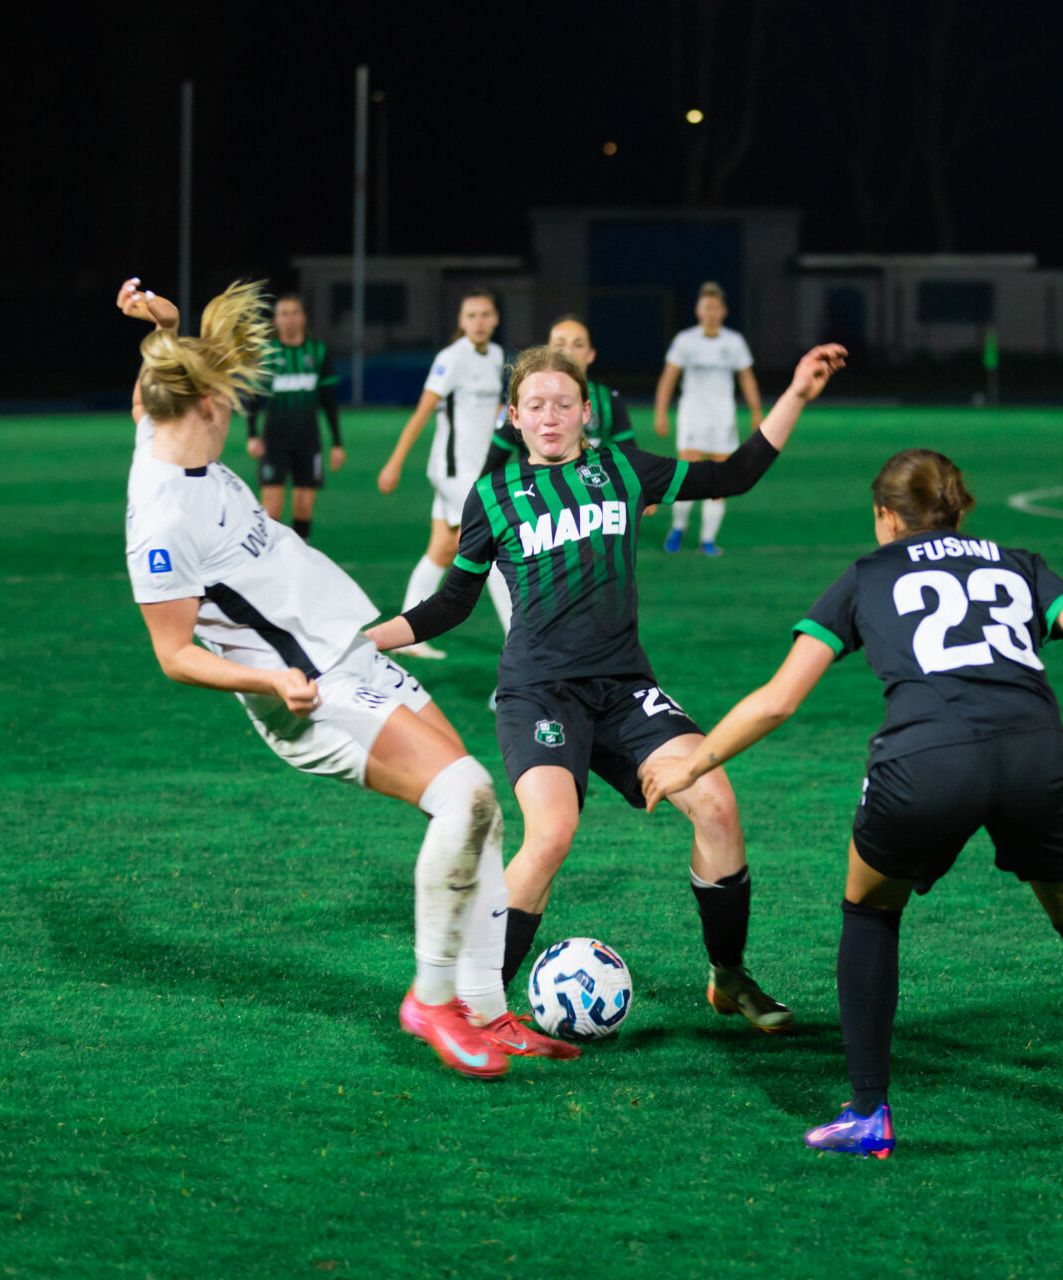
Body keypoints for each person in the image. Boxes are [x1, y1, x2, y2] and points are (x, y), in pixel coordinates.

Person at [642, 449, 1063, 1157]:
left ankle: (869, 1113)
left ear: (885, 516)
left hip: (928, 761)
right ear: (958, 509)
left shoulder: (868, 574)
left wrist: (697, 760)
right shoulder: (1017, 562)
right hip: (1033, 753)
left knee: (869, 908)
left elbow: (778, 700)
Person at [115, 276, 575, 1076]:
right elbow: (173, 653)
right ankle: (431, 1000)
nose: (234, 410)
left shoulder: (159, 426)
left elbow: (155, 381)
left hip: (349, 650)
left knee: (480, 812)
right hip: (309, 689)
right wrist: (270, 686)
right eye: (225, 400)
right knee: (463, 794)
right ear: (202, 410)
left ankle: (491, 1012)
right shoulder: (160, 521)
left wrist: (165, 324)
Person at [365, 341, 850, 1031]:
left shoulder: (624, 469)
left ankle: (730, 975)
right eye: (536, 405)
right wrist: (366, 640)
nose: (551, 416)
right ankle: (479, 1007)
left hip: (624, 688)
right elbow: (451, 605)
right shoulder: (494, 495)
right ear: (515, 416)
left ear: (585, 411)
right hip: (539, 692)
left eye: (564, 403)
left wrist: (797, 391)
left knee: (715, 802)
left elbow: (735, 476)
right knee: (553, 833)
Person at [376, 290, 514, 658]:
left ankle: (408, 633)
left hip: (477, 470)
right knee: (498, 547)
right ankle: (519, 640)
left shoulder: (497, 356)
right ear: (461, 322)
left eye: (486, 314)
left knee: (441, 550)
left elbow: (494, 410)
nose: (479, 322)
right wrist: (395, 461)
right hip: (454, 471)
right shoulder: (451, 359)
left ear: (496, 318)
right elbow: (422, 412)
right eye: (471, 315)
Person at [654, 282, 763, 556]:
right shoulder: (685, 340)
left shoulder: (734, 342)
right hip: (693, 415)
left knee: (721, 477)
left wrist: (756, 412)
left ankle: (707, 539)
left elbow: (746, 377)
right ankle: (678, 528)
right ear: (698, 311)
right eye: (706, 307)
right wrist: (660, 412)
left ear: (723, 311)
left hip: (722, 418)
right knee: (687, 474)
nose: (711, 312)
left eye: (715, 308)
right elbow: (669, 378)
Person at [480, 314, 635, 472]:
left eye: (578, 345)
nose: (568, 352)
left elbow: (631, 464)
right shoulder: (523, 399)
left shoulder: (608, 400)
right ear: (547, 351)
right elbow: (491, 466)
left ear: (591, 354)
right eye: (560, 344)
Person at [245, 294, 342, 542]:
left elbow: (328, 401)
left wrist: (337, 443)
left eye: (294, 313)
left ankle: (301, 560)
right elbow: (253, 397)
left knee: (303, 509)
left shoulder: (317, 352)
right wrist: (252, 434)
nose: (290, 319)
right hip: (274, 439)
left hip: (308, 439)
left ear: (303, 317)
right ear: (276, 320)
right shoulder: (266, 353)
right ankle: (269, 563)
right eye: (284, 314)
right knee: (272, 510)